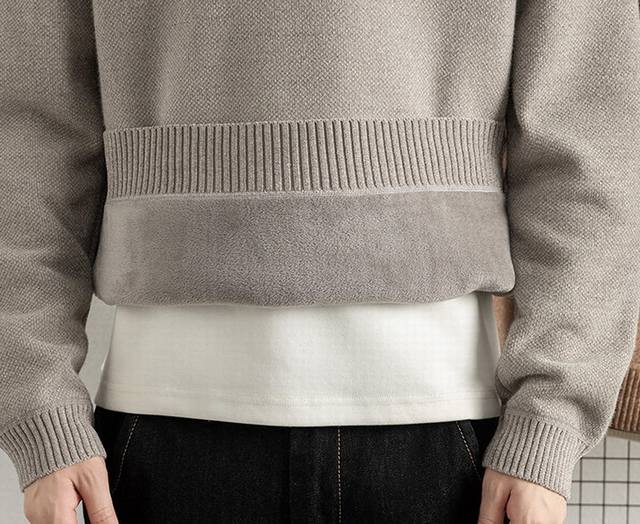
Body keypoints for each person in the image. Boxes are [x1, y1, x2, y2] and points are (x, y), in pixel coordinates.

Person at [1, 1, 639, 523]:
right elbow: (28, 134)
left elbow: (590, 132)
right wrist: (37, 404)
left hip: (447, 438)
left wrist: (552, 417)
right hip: (161, 429)